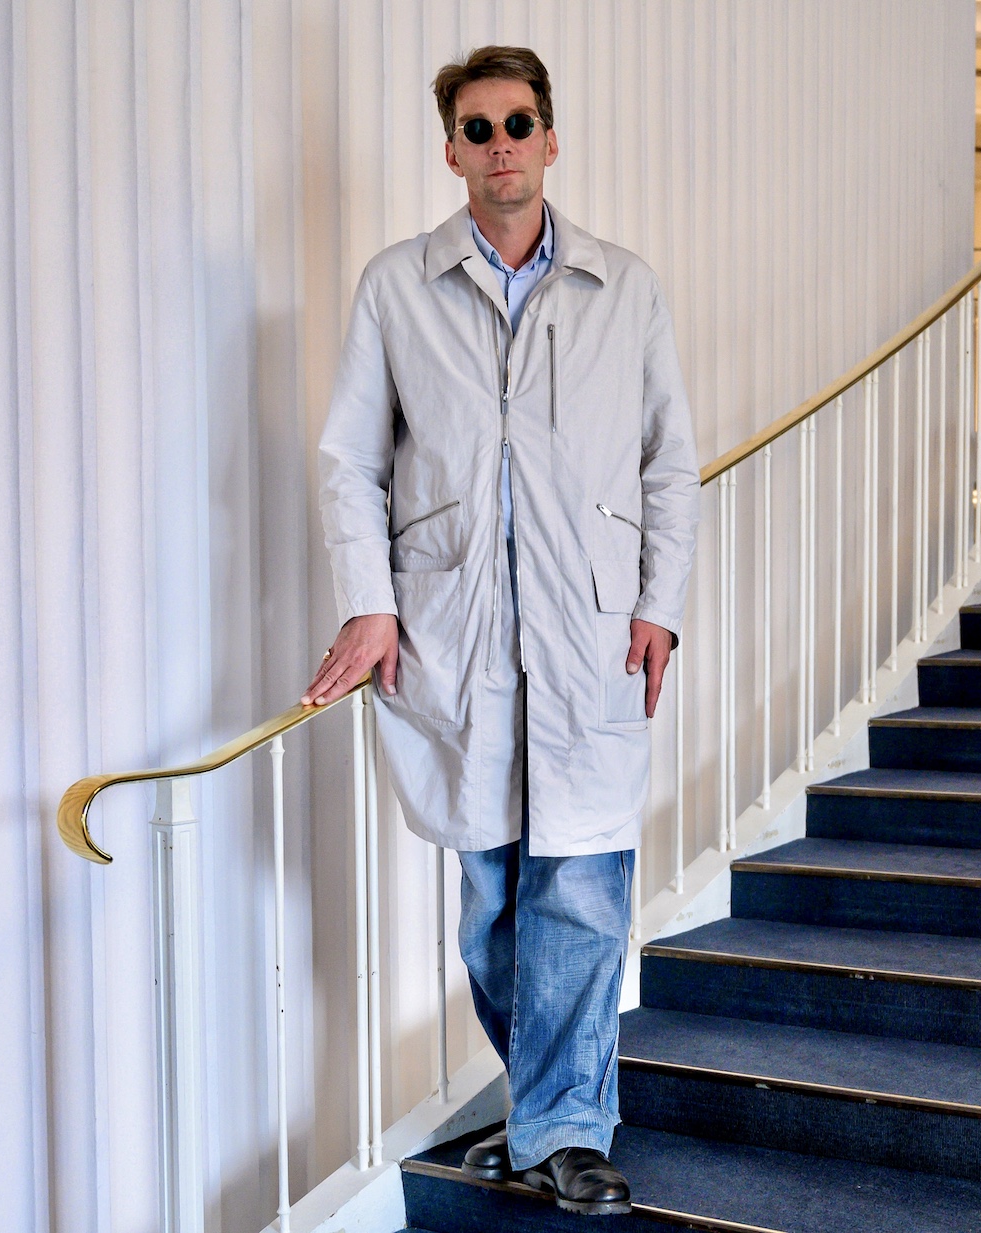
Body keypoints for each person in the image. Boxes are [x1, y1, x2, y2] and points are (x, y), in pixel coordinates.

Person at [301, 45, 700, 1216]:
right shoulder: (395, 286)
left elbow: (669, 465)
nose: (500, 145)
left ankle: (566, 1131)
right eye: (476, 129)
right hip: (452, 632)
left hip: (590, 634)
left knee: (580, 887)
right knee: (490, 900)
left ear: (551, 137)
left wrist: (660, 605)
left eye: (518, 122)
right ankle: (541, 1118)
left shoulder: (624, 287)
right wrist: (373, 602)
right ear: (452, 151)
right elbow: (350, 463)